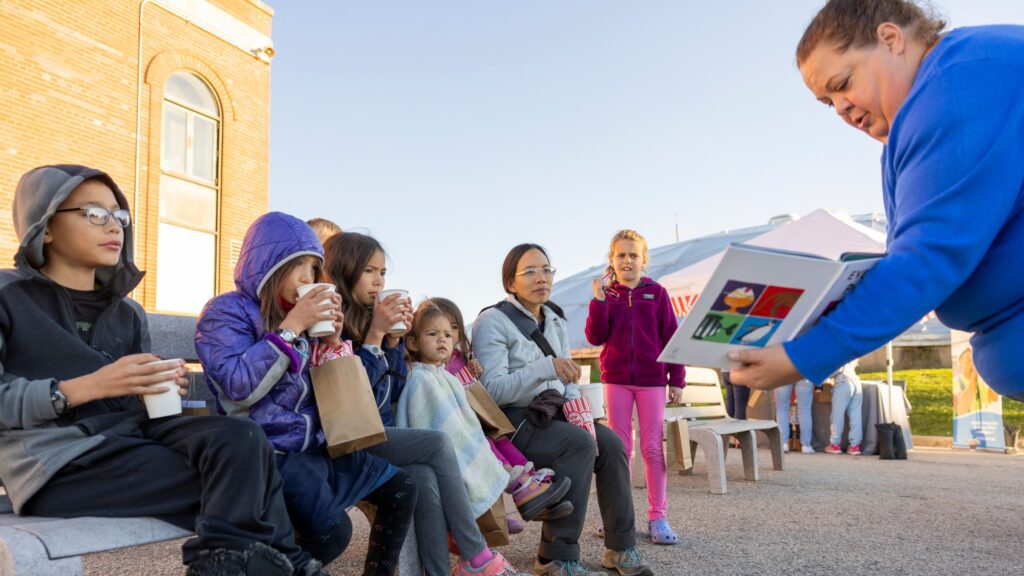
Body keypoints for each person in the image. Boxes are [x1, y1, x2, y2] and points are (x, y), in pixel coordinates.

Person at [1, 165, 320, 576]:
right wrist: (83, 387)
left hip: (130, 441)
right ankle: (274, 564)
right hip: (56, 463)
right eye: (95, 213)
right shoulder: (9, 296)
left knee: (243, 439)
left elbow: (150, 414)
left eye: (119, 215)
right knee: (245, 483)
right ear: (44, 226)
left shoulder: (126, 313)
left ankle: (229, 562)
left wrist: (161, 389)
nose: (113, 225)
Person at [728, 0, 1024, 405]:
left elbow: (926, 259)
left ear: (890, 39)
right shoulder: (941, 93)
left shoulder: (954, 85)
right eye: (827, 102)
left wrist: (804, 355)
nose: (840, 108)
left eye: (843, 83)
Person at [195, 212, 416, 574]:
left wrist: (332, 344)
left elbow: (341, 398)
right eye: (296, 265)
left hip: (316, 444)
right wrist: (290, 328)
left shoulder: (305, 320)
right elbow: (237, 388)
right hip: (269, 451)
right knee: (333, 531)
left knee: (402, 487)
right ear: (266, 264)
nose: (307, 278)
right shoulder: (227, 311)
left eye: (314, 268)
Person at [323, 231, 526, 576]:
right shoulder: (333, 324)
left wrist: (391, 343)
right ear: (345, 270)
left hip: (377, 435)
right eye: (370, 271)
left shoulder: (369, 321)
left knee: (424, 478)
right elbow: (356, 404)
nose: (378, 281)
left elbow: (391, 393)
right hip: (348, 441)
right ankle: (475, 552)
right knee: (438, 443)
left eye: (383, 272)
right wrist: (375, 337)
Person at [473, 243, 654, 576]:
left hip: (554, 415)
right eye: (529, 271)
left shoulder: (554, 317)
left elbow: (567, 376)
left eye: (546, 269)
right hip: (512, 424)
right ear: (510, 283)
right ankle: (555, 556)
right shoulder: (493, 321)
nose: (541, 277)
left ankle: (620, 546)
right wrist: (546, 368)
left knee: (610, 443)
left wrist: (577, 408)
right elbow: (491, 391)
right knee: (579, 444)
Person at [430, 297, 573, 533]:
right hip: (460, 426)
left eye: (452, 329)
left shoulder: (459, 358)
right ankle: (507, 501)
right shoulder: (433, 364)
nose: (445, 337)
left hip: (476, 420)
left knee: (500, 439)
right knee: (486, 449)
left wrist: (471, 372)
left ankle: (526, 487)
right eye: (435, 333)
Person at [584, 230, 684, 546]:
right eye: (621, 255)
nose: (627, 260)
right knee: (619, 450)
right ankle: (617, 517)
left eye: (633, 255)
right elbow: (595, 337)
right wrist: (598, 300)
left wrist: (677, 379)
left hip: (652, 381)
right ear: (612, 261)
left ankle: (658, 516)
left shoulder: (657, 292)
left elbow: (672, 337)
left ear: (643, 259)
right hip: (615, 381)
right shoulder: (607, 295)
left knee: (652, 448)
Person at [825, 362, 863, 455]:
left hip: (842, 382)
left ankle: (835, 444)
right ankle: (855, 446)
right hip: (856, 382)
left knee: (837, 415)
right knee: (856, 416)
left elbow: (836, 369)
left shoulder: (836, 351)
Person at [774, 380, 816, 454]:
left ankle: (783, 443)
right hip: (804, 372)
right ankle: (806, 445)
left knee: (781, 407)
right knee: (804, 409)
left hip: (783, 372)